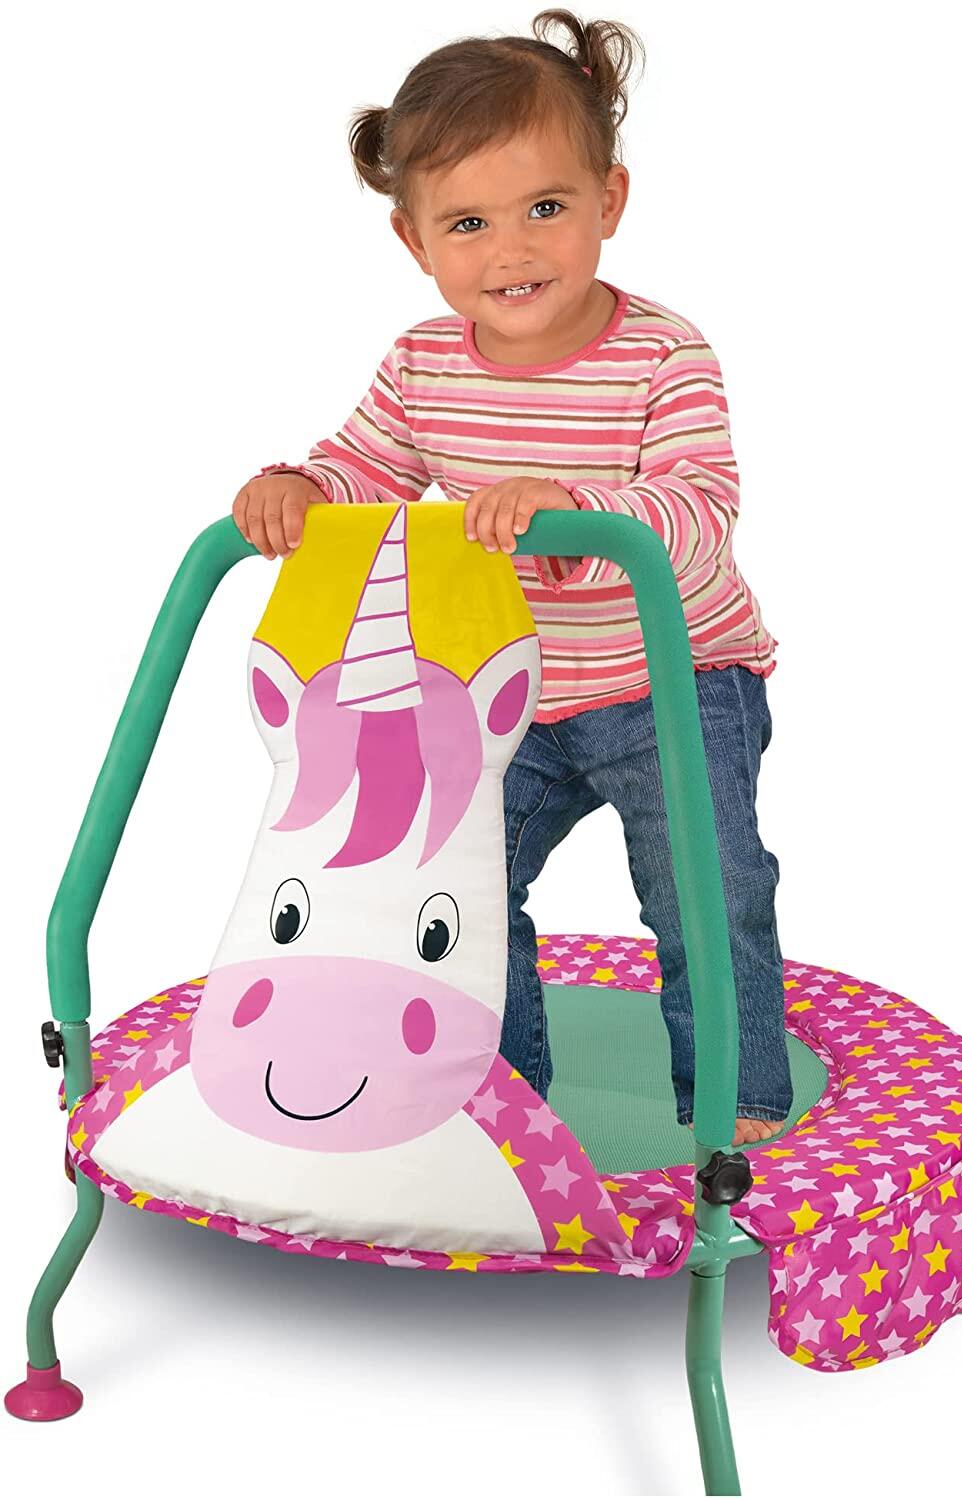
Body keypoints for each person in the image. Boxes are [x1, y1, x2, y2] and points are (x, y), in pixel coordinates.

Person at [231, 9, 793, 1146]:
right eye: (469, 224)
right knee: (454, 891)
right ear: (415, 241)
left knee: (707, 891)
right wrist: (299, 485)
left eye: (547, 208)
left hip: (674, 682)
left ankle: (739, 1108)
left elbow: (698, 511)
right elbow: (365, 470)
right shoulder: (422, 365)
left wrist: (574, 509)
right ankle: (500, 1105)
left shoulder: (664, 355)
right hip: (510, 693)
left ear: (609, 202)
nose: (513, 251)